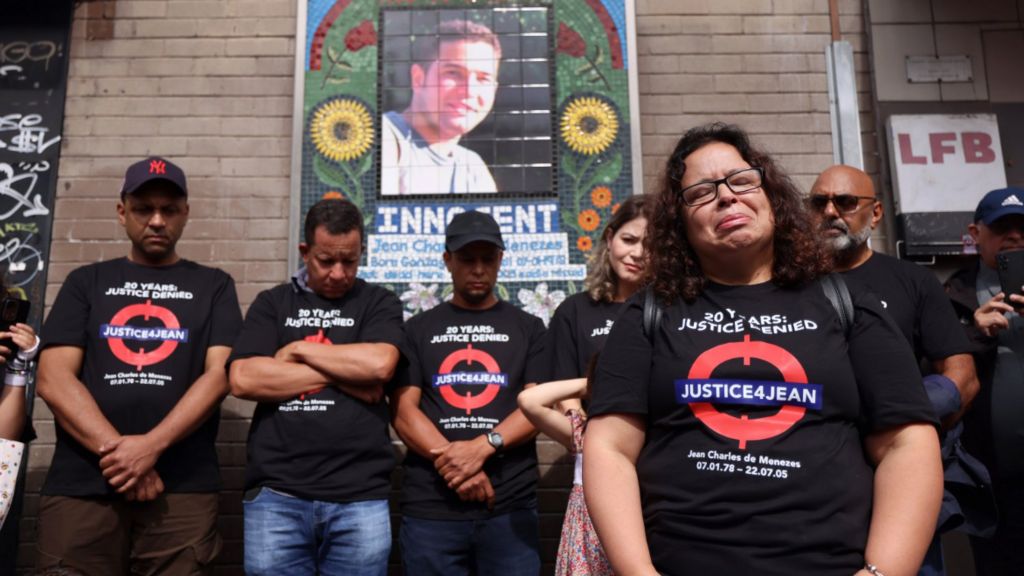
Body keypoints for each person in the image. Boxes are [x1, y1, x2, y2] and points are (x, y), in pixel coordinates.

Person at [584, 123, 943, 576]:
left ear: (770, 194)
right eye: (700, 192)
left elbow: (907, 443)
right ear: (679, 222)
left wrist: (882, 572)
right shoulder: (648, 315)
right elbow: (610, 448)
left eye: (741, 180)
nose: (726, 196)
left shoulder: (847, 304)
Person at [35, 156, 242, 575]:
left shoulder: (214, 285)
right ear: (122, 212)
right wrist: (124, 455)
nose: (157, 220)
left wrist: (151, 447)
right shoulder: (85, 282)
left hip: (182, 488)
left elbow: (220, 375)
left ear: (186, 213)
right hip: (82, 485)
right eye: (144, 208)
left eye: (169, 209)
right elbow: (53, 378)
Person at [809, 165, 985, 575]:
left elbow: (963, 375)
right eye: (819, 202)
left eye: (846, 202)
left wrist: (910, 430)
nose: (830, 211)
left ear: (874, 214)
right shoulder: (789, 283)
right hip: (816, 480)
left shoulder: (911, 280)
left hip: (898, 479)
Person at [228, 199, 403, 576]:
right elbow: (244, 379)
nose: (339, 273)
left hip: (360, 496)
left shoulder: (379, 302)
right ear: (305, 252)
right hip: (277, 495)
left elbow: (380, 365)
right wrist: (349, 377)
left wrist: (297, 350)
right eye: (326, 261)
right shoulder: (273, 303)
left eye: (350, 261)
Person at [390, 210, 546, 575]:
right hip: (431, 509)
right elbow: (403, 412)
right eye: (466, 259)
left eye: (487, 259)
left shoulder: (531, 329)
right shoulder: (417, 329)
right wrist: (459, 467)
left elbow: (538, 408)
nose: (478, 269)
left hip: (509, 508)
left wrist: (480, 448)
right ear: (447, 260)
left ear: (500, 260)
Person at [945, 187, 1024, 575]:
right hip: (989, 478)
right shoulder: (951, 295)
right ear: (975, 234)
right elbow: (929, 372)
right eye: (1003, 227)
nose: (1015, 236)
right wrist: (973, 332)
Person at [380, 18, 500, 196]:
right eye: (453, 73)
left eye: (483, 79)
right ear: (418, 79)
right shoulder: (383, 138)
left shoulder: (473, 169)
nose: (470, 90)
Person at [518, 361, 610, 576]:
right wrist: (594, 383)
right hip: (587, 544)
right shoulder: (584, 433)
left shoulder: (650, 434)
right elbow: (529, 400)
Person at [546, 194, 647, 381]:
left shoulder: (671, 311)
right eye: (628, 240)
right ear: (610, 239)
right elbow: (565, 396)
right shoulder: (573, 311)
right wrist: (576, 411)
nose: (637, 253)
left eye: (650, 245)